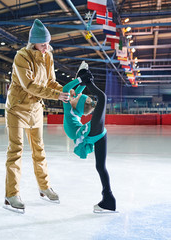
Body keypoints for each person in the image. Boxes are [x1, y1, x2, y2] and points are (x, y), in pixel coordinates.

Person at [4, 19, 69, 213]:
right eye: (43, 44)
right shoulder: (21, 57)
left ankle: (44, 187)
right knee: (15, 151)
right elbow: (29, 85)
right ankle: (11, 194)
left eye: (47, 43)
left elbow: (51, 82)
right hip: (17, 108)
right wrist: (57, 95)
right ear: (34, 42)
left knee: (39, 151)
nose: (46, 47)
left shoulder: (48, 56)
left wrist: (68, 91)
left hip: (36, 109)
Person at [62, 62, 116, 213]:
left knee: (102, 97)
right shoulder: (74, 110)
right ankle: (108, 200)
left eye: (77, 97)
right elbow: (75, 92)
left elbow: (67, 89)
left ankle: (108, 199)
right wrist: (81, 79)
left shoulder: (69, 108)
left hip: (89, 133)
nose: (74, 95)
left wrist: (84, 80)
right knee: (100, 167)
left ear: (75, 103)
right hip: (97, 135)